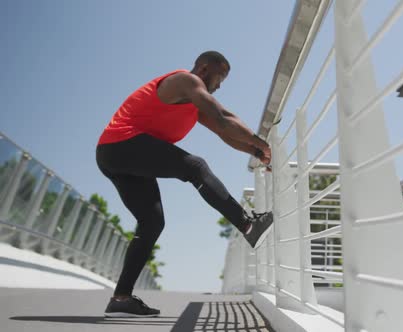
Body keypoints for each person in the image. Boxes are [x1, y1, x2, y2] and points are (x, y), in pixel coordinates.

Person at [95, 51, 274, 318]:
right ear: (204, 69)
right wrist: (260, 142)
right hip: (122, 145)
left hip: (116, 154)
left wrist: (255, 149)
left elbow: (223, 130)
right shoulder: (186, 81)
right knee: (195, 167)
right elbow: (224, 117)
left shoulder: (192, 102)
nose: (220, 85)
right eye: (220, 77)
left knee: (152, 223)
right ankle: (247, 224)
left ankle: (121, 297)